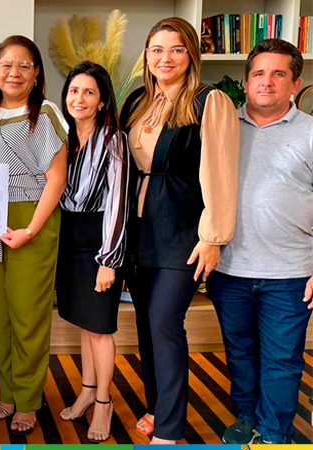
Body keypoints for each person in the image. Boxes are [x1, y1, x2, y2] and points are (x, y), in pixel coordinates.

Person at [119, 17, 239, 444]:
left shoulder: (210, 101)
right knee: (147, 327)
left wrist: (213, 238)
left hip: (184, 231)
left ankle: (169, 431)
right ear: (146, 56)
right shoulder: (136, 101)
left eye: (175, 49)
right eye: (156, 50)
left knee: (165, 322)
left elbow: (221, 174)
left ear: (191, 55)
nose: (164, 58)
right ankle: (157, 406)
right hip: (138, 229)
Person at [208, 39, 313, 445]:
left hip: (290, 273)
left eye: (278, 74)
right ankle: (247, 417)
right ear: (246, 81)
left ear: (294, 83)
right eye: (258, 73)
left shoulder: (308, 132)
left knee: (281, 360)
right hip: (228, 269)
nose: (266, 82)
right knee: (240, 354)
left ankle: (275, 433)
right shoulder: (222, 128)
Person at [0, 35, 68, 435]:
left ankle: (28, 399)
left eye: (24, 65)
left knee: (28, 316)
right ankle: (8, 391)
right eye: (5, 64)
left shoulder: (43, 113)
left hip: (31, 217)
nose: (13, 72)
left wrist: (30, 229)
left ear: (36, 73)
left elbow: (56, 177)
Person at [56, 61, 129, 442]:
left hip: (98, 241)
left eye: (88, 92)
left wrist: (108, 260)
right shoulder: (65, 138)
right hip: (68, 239)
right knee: (84, 323)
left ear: (102, 101)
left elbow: (118, 203)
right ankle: (86, 390)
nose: (79, 98)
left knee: (100, 328)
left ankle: (104, 402)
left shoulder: (114, 138)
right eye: (73, 91)